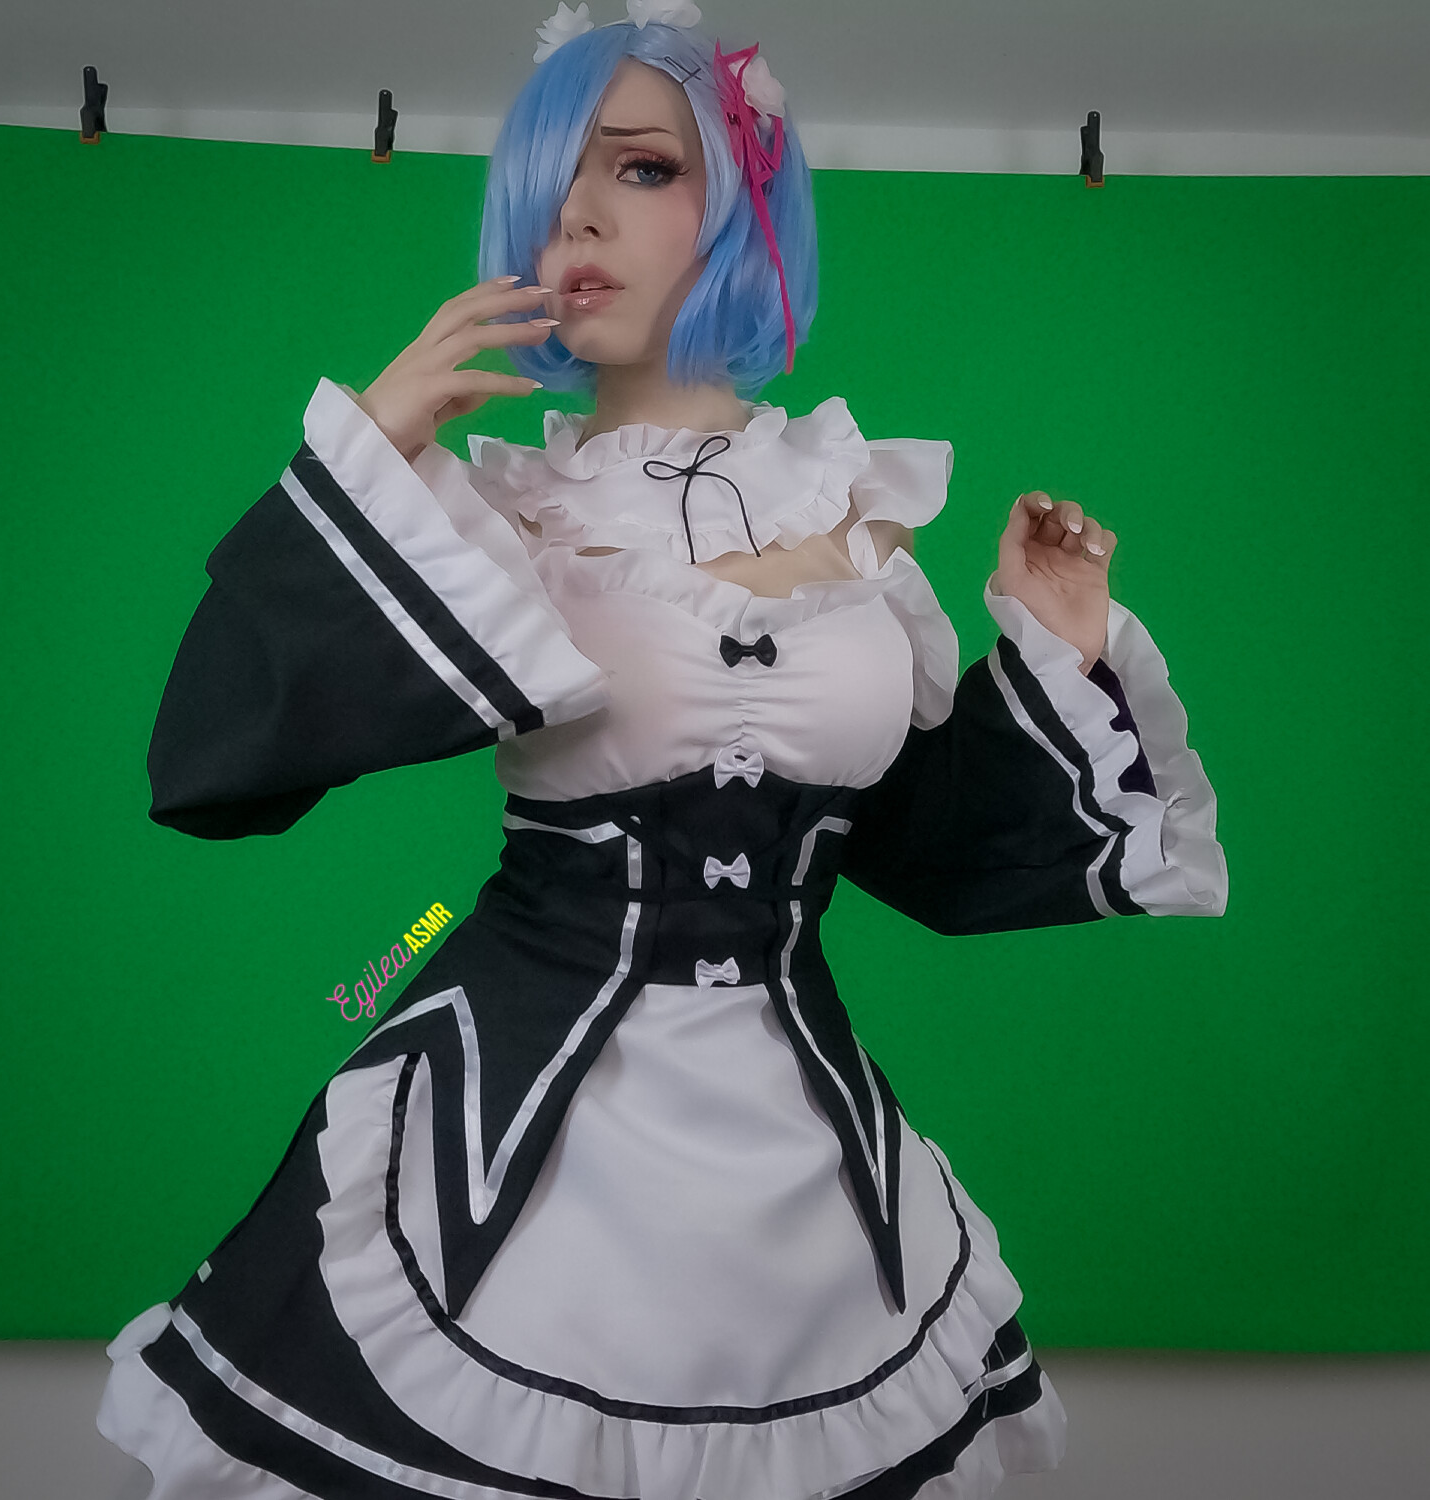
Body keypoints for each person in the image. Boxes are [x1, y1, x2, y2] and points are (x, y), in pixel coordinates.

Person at [96, 4, 1228, 1498]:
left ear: (744, 205)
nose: (578, 216)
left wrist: (1061, 646)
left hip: (806, 1166)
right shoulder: (501, 510)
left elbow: (925, 853)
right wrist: (368, 454)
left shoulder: (860, 523)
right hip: (519, 1138)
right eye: (551, 185)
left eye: (639, 168)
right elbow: (217, 762)